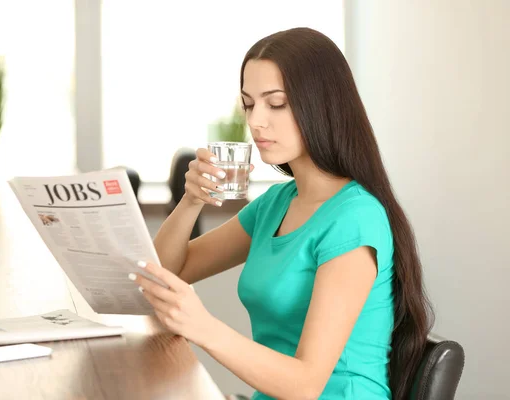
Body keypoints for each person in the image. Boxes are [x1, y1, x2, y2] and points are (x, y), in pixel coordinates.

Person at [130, 27, 433, 400]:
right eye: (249, 103)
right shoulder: (277, 203)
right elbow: (165, 274)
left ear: (322, 105)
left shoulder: (355, 219)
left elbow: (306, 385)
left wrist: (202, 326)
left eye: (276, 103)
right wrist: (190, 201)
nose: (256, 121)